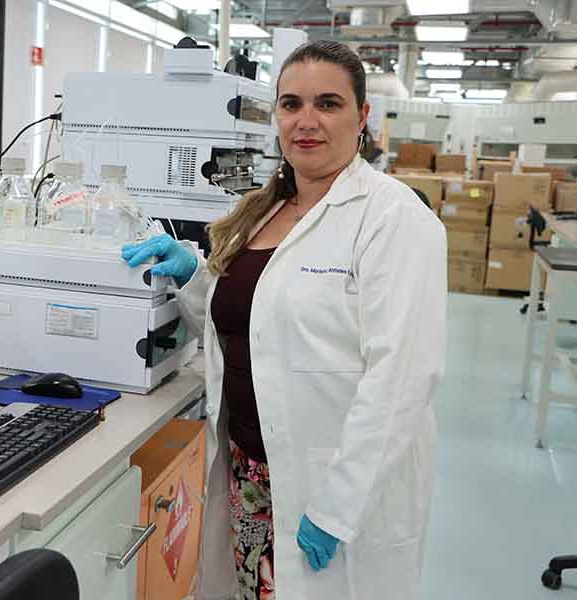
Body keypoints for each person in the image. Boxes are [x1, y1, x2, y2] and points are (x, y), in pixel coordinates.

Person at [122, 40, 446, 600]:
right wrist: (195, 277)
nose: (307, 121)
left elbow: (403, 377)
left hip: (333, 486)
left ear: (363, 116)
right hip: (251, 473)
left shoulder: (395, 219)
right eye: (291, 104)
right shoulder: (263, 209)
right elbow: (257, 322)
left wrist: (338, 506)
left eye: (329, 103)